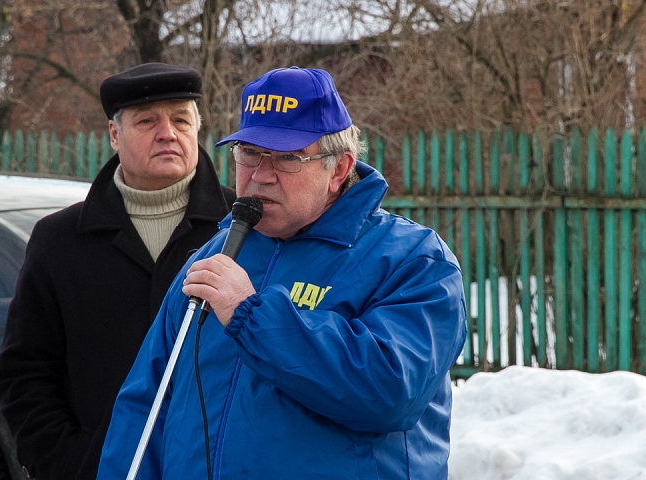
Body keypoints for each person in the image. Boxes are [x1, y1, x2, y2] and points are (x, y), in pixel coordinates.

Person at [96, 66, 467, 480]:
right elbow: (146, 405)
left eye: (287, 158)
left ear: (339, 169)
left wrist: (249, 313)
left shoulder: (412, 260)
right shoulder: (216, 255)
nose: (260, 175)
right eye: (249, 153)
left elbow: (390, 392)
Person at [0, 63, 236, 480]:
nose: (168, 133)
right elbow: (26, 372)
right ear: (113, 134)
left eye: (181, 119)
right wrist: (68, 463)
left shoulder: (242, 231)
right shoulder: (60, 241)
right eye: (147, 121)